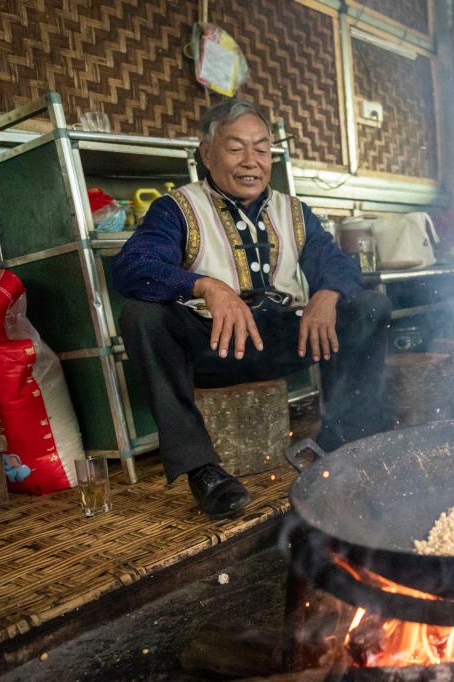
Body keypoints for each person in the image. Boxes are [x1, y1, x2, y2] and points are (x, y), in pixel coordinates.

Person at [112, 99, 392, 518]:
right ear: (207, 153)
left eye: (262, 149)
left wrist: (328, 293)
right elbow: (133, 267)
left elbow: (336, 263)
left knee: (369, 305)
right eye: (236, 147)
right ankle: (203, 470)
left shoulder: (293, 211)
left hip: (282, 340)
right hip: (213, 346)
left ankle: (341, 445)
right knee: (141, 315)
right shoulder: (177, 208)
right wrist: (205, 286)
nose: (252, 162)